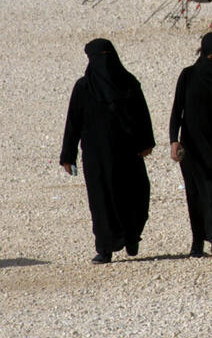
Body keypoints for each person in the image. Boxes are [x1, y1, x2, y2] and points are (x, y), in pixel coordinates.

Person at [60, 39, 155, 264]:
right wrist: (67, 156)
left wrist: (146, 142)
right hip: (97, 158)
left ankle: (132, 237)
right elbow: (73, 122)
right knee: (101, 202)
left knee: (136, 196)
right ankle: (105, 248)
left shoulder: (129, 83)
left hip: (129, 153)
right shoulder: (83, 87)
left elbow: (142, 114)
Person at [170, 32, 212, 259]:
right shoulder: (188, 75)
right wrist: (173, 141)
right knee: (195, 193)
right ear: (203, 54)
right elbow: (177, 111)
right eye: (211, 58)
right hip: (191, 146)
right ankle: (197, 240)